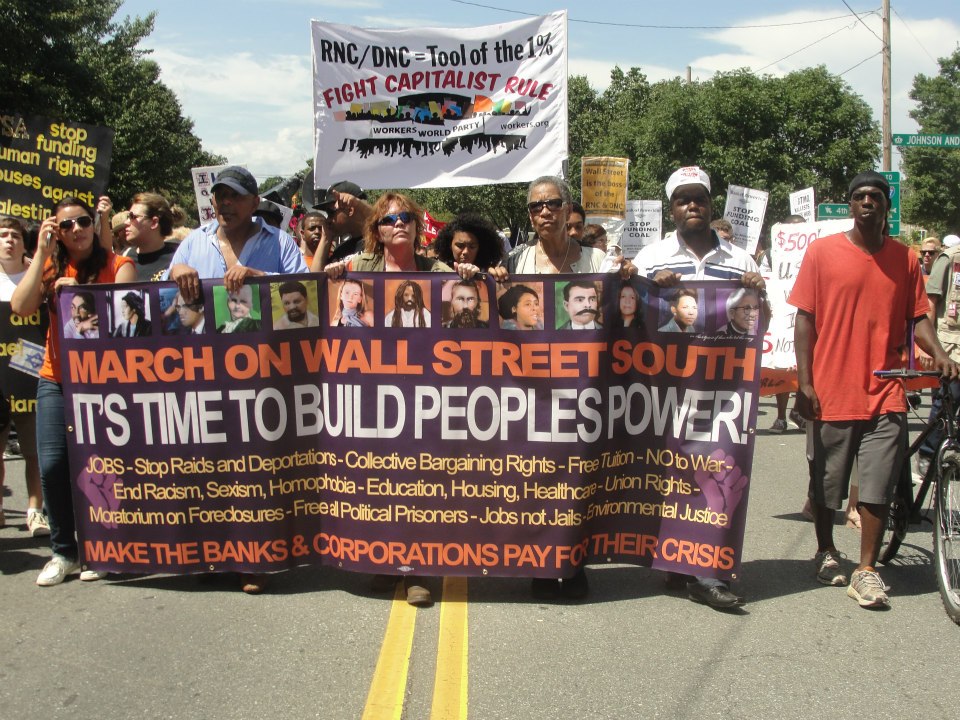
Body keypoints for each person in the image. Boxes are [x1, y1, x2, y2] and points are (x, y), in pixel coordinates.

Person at [790, 170, 959, 610]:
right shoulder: (822, 253)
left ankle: (866, 570)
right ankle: (826, 549)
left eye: (876, 196)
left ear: (886, 206)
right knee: (826, 483)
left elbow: (918, 316)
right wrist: (804, 382)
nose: (868, 202)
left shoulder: (904, 260)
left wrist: (938, 351)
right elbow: (803, 320)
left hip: (887, 389)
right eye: (861, 196)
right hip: (832, 388)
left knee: (878, 484)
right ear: (850, 204)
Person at [632, 165, 766, 609]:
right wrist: (653, 287)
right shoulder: (652, 257)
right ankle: (677, 557)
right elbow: (631, 315)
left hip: (720, 387)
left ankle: (708, 571)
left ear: (711, 205)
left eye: (700, 198)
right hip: (666, 385)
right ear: (671, 209)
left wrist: (756, 292)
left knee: (717, 467)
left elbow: (755, 318)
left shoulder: (740, 260)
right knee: (670, 469)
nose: (692, 205)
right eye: (683, 199)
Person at [11, 196, 135, 586]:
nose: (77, 230)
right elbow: (20, 305)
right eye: (66, 226)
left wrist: (80, 291)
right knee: (52, 465)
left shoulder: (119, 265)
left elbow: (126, 322)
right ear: (56, 231)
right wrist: (42, 256)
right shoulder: (49, 265)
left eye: (83, 221)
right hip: (56, 378)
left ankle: (104, 548)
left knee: (101, 468)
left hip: (104, 383)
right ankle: (64, 551)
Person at [166, 165, 307, 305]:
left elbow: (308, 290)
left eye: (235, 195)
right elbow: (163, 297)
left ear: (255, 203)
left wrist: (260, 278)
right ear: (213, 201)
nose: (226, 201)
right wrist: (174, 273)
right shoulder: (193, 241)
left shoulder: (281, 242)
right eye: (221, 195)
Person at [0, 217, 49, 536]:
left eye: (15, 235)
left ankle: (35, 510)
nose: (9, 240)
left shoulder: (38, 274)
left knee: (34, 451)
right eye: (2, 235)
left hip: (29, 373)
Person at [506, 177, 606, 275]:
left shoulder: (598, 260)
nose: (545, 212)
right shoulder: (514, 264)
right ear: (531, 217)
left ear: (568, 211)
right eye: (535, 206)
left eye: (553, 204)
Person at [310, 180, 372, 269]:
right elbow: (314, 281)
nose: (328, 220)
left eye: (331, 212)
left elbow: (382, 220)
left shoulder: (379, 241)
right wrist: (326, 239)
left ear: (350, 210)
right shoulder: (341, 250)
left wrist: (359, 204)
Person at [124, 192, 184, 282]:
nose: (126, 222)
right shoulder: (125, 257)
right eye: (128, 216)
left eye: (133, 217)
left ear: (154, 222)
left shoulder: (179, 257)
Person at [434, 213, 508, 281]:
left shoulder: (489, 274)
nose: (465, 251)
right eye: (460, 246)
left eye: (472, 247)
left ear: (480, 248)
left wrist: (498, 278)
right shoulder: (436, 272)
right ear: (449, 245)